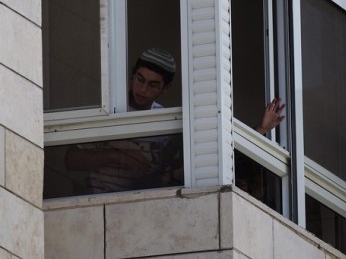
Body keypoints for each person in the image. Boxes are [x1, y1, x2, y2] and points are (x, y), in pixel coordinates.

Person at [66, 47, 286, 193]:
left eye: (152, 85)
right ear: (132, 75)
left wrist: (261, 129)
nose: (142, 89)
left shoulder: (165, 121)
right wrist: (116, 157)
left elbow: (212, 154)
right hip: (98, 200)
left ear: (166, 88)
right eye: (139, 79)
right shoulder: (110, 108)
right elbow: (71, 160)